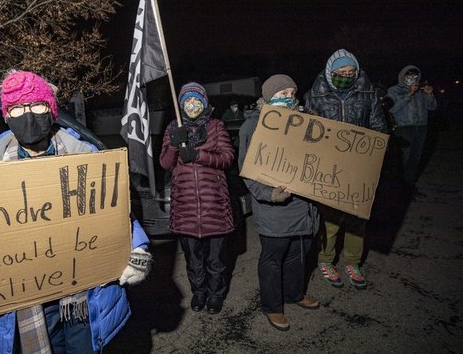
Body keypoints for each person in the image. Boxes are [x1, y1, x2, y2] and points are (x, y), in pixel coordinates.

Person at [0, 70, 151, 354]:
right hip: (24, 306)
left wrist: (138, 249)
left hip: (83, 300)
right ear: (7, 116)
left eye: (37, 106)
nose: (28, 115)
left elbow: (114, 211)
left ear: (52, 111)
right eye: (17, 108)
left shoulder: (87, 157)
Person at [238, 75, 320, 331]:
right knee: (274, 257)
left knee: (299, 253)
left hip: (302, 206)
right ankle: (273, 306)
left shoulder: (306, 122)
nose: (289, 98)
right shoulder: (252, 127)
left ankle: (294, 294)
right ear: (269, 95)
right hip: (275, 208)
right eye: (283, 93)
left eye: (292, 93)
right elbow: (246, 169)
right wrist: (268, 193)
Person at [304, 49, 388, 290]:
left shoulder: (367, 93)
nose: (347, 76)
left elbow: (379, 127)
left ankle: (353, 261)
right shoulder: (315, 96)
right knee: (330, 219)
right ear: (331, 73)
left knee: (357, 219)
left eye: (351, 72)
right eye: (341, 73)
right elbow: (308, 133)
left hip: (358, 167)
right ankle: (326, 260)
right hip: (329, 167)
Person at [159, 82, 235, 314]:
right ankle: (199, 293)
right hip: (186, 209)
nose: (192, 105)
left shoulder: (215, 126)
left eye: (196, 100)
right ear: (181, 105)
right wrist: (174, 144)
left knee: (215, 261)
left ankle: (216, 294)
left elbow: (227, 158)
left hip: (214, 206)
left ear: (204, 103)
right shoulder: (173, 128)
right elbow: (165, 163)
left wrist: (198, 155)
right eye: (187, 101)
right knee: (193, 261)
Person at [386, 65, 437, 199]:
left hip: (421, 127)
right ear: (403, 76)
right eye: (409, 76)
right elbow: (392, 109)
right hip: (404, 127)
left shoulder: (420, 89)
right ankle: (398, 189)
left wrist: (429, 95)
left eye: (415, 76)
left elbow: (432, 107)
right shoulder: (394, 90)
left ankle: (409, 187)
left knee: (415, 159)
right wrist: (408, 94)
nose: (412, 79)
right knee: (404, 159)